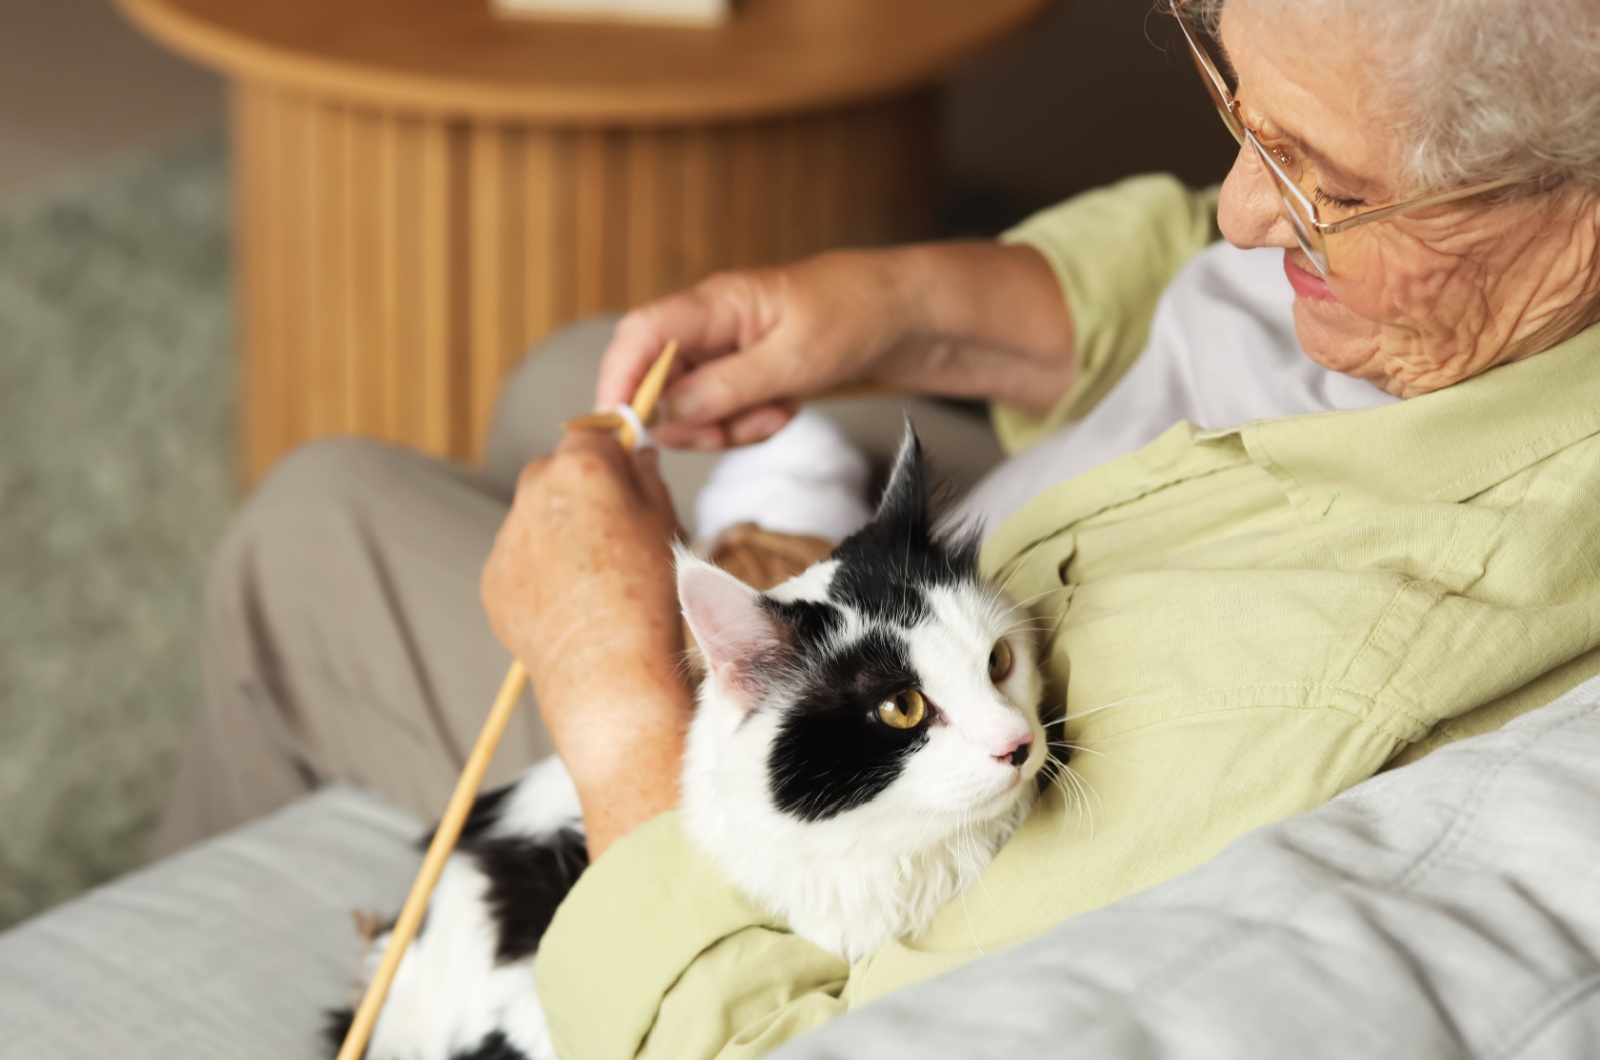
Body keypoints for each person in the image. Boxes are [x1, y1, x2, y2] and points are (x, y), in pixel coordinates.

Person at [155, 0, 1600, 1055]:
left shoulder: (1328, 664)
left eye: (1318, 188)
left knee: (321, 529)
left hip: (824, 784)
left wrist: (607, 678)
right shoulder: (1489, 278)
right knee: (570, 377)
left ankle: (231, 971)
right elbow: (1200, 270)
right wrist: (899, 307)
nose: (1238, 214)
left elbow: (765, 1030)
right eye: (1239, 116)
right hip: (993, 545)